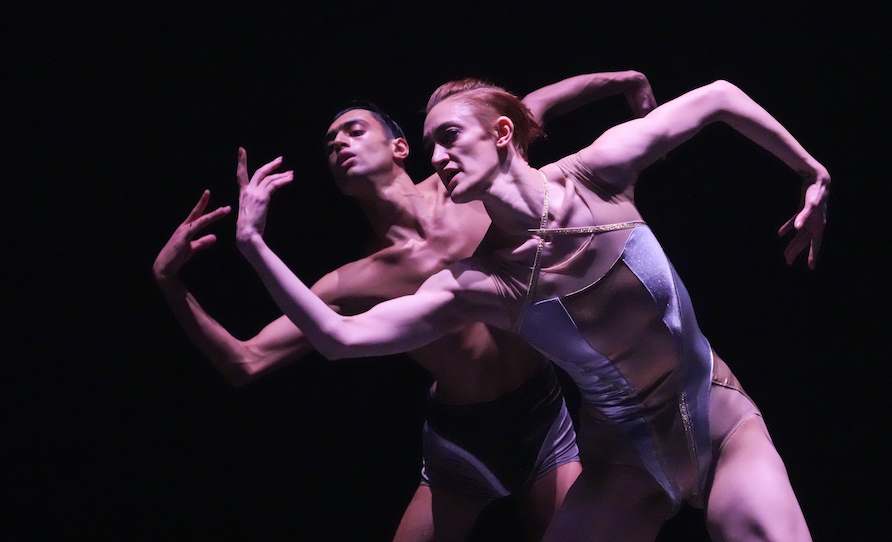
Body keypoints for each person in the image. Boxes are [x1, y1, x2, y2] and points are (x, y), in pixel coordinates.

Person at [234, 77, 828, 542]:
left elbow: (719, 98)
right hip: (622, 467)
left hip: (717, 423)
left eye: (448, 136)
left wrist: (811, 173)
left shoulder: (600, 174)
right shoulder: (478, 281)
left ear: (498, 134)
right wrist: (255, 247)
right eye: (430, 143)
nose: (436, 156)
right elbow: (338, 337)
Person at [154, 71, 657, 542]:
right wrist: (169, 282)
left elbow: (529, 107)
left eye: (352, 131)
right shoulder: (353, 279)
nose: (339, 144)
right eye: (330, 145)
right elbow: (245, 361)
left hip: (542, 415)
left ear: (399, 147)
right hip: (465, 443)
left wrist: (625, 81)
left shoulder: (471, 188)